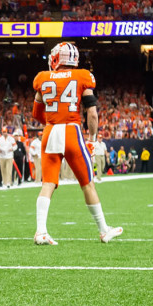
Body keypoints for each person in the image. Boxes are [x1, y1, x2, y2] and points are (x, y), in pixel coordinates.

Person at [31, 42, 122, 246]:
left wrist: (52, 121)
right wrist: (91, 139)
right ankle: (103, 230)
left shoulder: (42, 78)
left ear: (57, 58)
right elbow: (92, 112)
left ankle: (41, 231)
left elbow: (36, 113)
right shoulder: (82, 76)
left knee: (48, 184)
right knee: (87, 183)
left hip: (50, 132)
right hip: (71, 131)